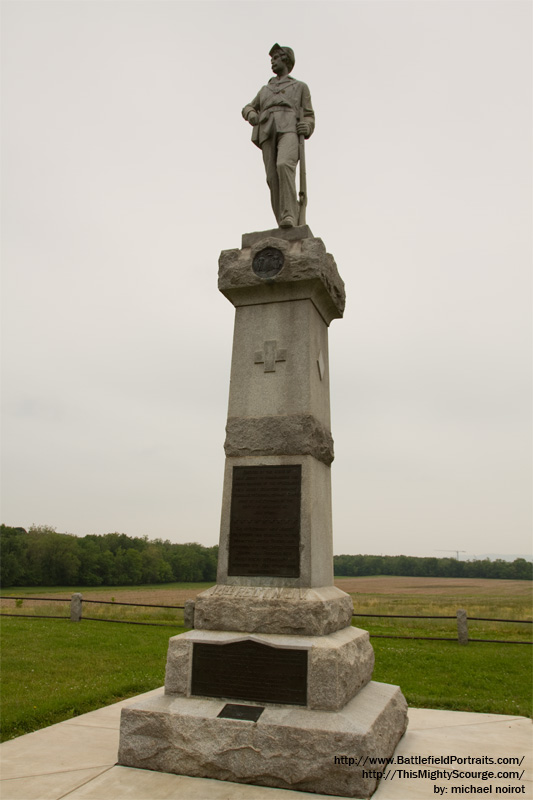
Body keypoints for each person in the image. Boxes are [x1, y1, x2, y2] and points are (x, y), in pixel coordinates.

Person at [242, 43, 315, 228]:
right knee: (272, 178)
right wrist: (251, 114)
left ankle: (290, 215)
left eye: (276, 58)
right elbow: (248, 107)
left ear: (286, 59)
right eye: (271, 59)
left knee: (284, 165)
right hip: (267, 130)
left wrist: (306, 126)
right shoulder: (265, 90)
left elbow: (308, 115)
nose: (272, 62)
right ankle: (283, 220)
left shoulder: (299, 87)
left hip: (290, 128)